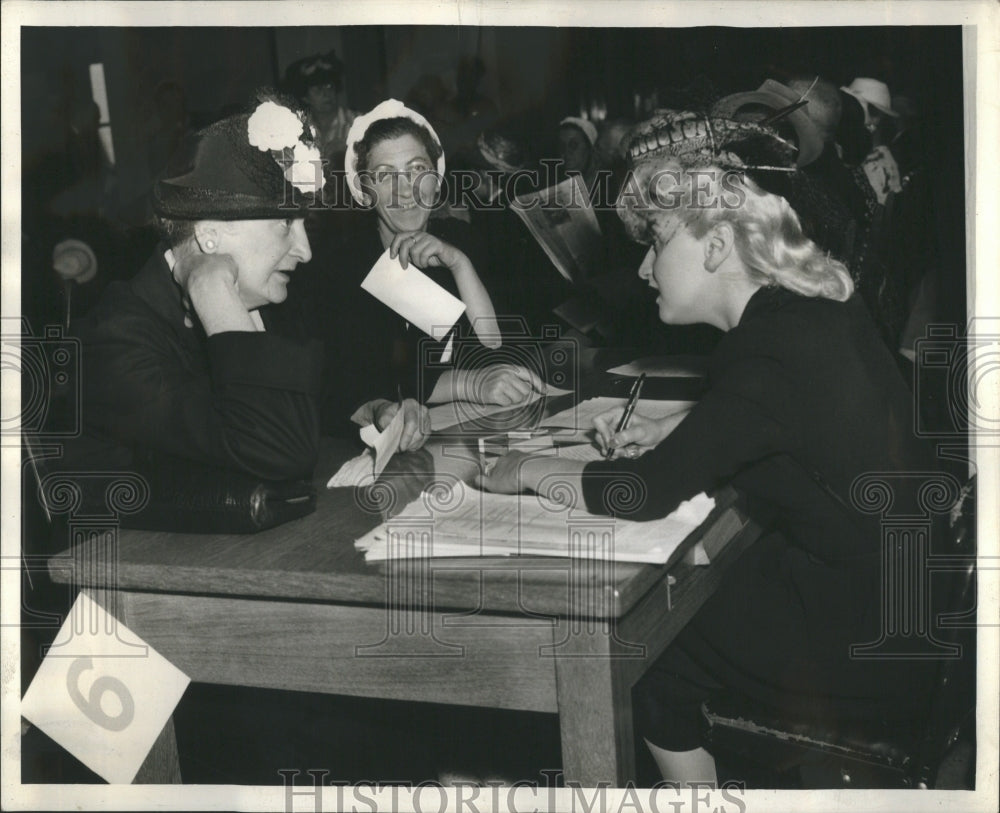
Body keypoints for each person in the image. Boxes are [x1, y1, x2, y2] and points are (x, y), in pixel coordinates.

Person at [478, 110, 942, 784]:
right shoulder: (810, 308)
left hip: (867, 647)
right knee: (698, 580)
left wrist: (527, 466)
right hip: (903, 609)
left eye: (655, 239)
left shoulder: (760, 357)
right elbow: (787, 422)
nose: (642, 266)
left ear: (717, 245)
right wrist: (678, 431)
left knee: (644, 641)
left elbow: (644, 493)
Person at [62, 95, 335, 481]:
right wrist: (210, 286)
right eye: (286, 224)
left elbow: (321, 407)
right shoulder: (115, 343)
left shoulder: (274, 303)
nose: (305, 251)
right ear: (209, 236)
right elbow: (283, 450)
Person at [284, 99, 545, 438]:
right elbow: (362, 383)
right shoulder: (343, 266)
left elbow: (501, 349)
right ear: (364, 192)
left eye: (417, 170)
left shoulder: (461, 240)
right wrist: (470, 382)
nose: (404, 189)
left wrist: (460, 266)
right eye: (384, 176)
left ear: (436, 180)